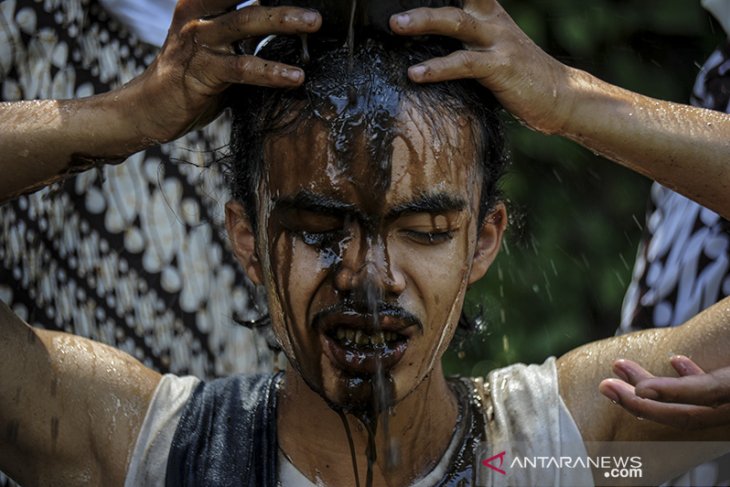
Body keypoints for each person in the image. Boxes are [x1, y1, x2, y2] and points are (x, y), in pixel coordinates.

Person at [1, 1, 729, 486]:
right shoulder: (155, 451)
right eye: (319, 229)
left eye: (424, 232)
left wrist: (567, 97)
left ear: (484, 239)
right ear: (247, 239)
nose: (370, 276)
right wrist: (126, 115)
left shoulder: (553, 451)